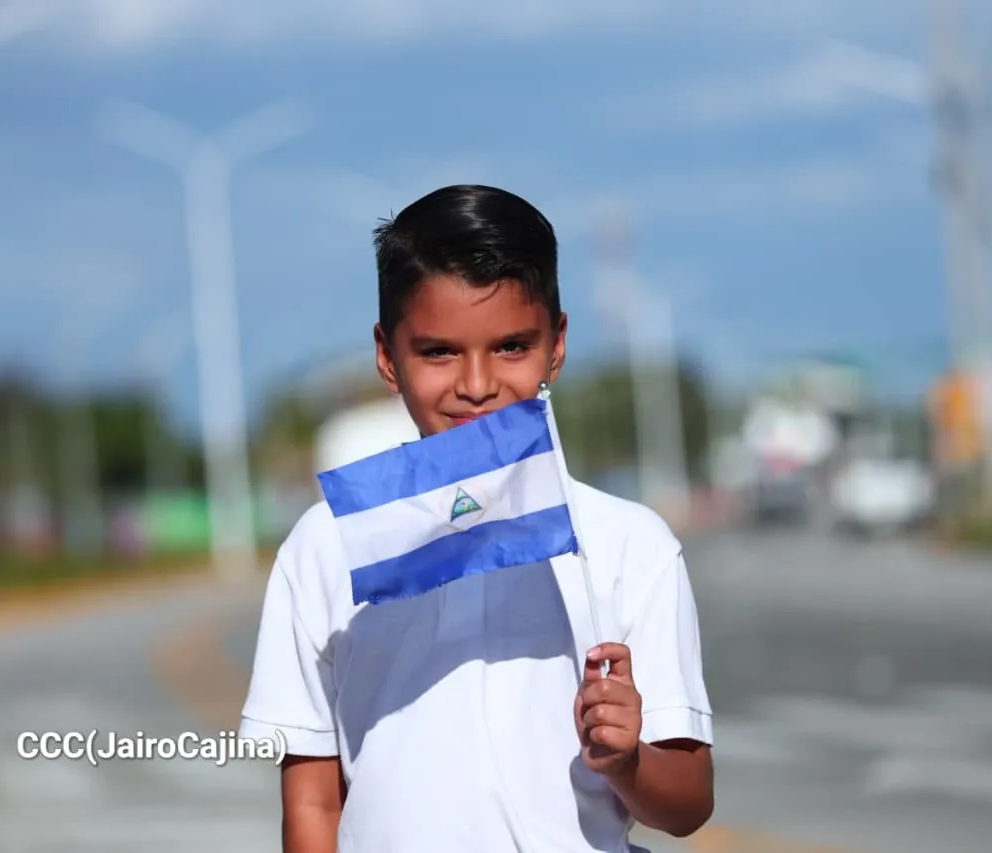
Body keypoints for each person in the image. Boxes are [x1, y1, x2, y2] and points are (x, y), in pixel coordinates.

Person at [238, 184, 714, 852]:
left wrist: (627, 760)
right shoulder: (328, 545)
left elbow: (689, 802)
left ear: (557, 343)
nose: (477, 383)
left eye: (512, 346)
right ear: (386, 354)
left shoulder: (630, 544)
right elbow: (313, 802)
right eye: (438, 351)